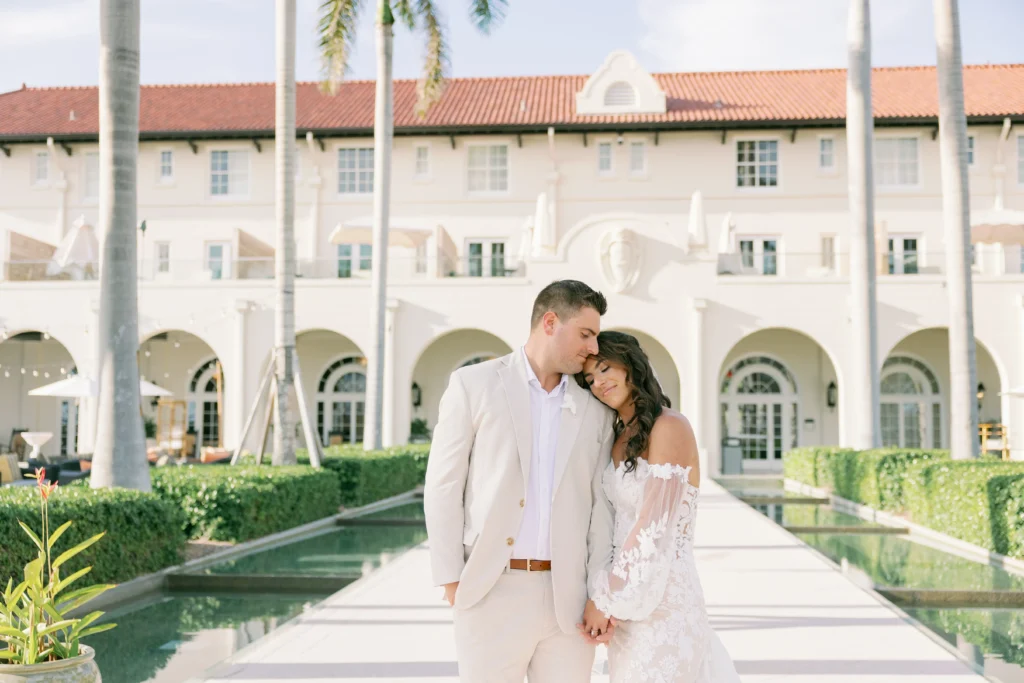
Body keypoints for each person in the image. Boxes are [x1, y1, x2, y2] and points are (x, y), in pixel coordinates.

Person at [424, 279, 617, 682]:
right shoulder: (473, 384)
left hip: (569, 601)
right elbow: (443, 485)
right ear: (550, 322)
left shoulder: (594, 408)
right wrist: (451, 579)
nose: (594, 348)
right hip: (490, 591)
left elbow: (602, 507)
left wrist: (599, 592)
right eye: (586, 334)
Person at [576, 330, 740, 683]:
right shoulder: (618, 435)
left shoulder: (670, 426)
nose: (599, 383)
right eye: (590, 378)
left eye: (605, 369)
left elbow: (654, 527)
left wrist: (607, 600)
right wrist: (606, 594)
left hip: (664, 601)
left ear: (630, 364)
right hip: (628, 604)